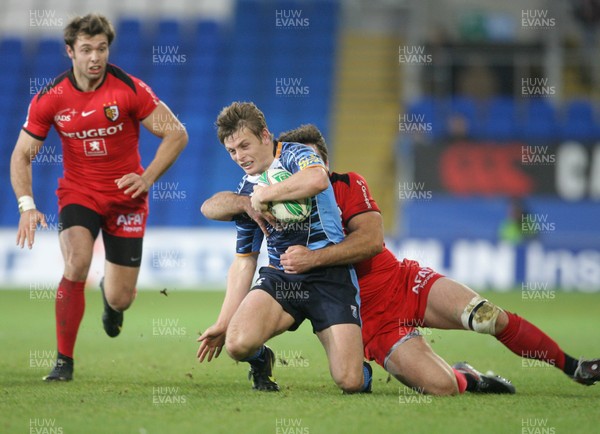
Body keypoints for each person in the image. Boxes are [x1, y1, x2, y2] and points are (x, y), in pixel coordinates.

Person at [202, 124, 600, 395]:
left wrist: (314, 258)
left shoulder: (346, 184)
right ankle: (468, 378)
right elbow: (217, 210)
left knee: (486, 316)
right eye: (299, 161)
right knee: (442, 388)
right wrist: (247, 202)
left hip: (400, 281)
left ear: (323, 159)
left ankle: (574, 366)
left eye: (314, 159)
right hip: (368, 315)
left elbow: (372, 242)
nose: (307, 166)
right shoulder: (272, 200)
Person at [10, 13, 188, 381]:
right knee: (76, 261)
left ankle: (111, 294)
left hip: (126, 198)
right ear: (70, 51)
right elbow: (21, 154)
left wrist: (147, 177)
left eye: (102, 48)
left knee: (122, 298)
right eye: (87, 49)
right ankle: (63, 361)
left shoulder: (129, 89)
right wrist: (27, 205)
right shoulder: (51, 98)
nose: (95, 57)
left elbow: (177, 134)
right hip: (79, 193)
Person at [196, 102, 371, 394]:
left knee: (350, 381)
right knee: (237, 344)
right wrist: (224, 321)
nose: (239, 156)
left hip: (329, 275)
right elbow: (243, 261)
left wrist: (265, 195)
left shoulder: (294, 154)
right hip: (283, 278)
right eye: (232, 151)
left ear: (265, 136)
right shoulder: (247, 190)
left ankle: (360, 365)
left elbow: (317, 178)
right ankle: (262, 360)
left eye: (244, 145)